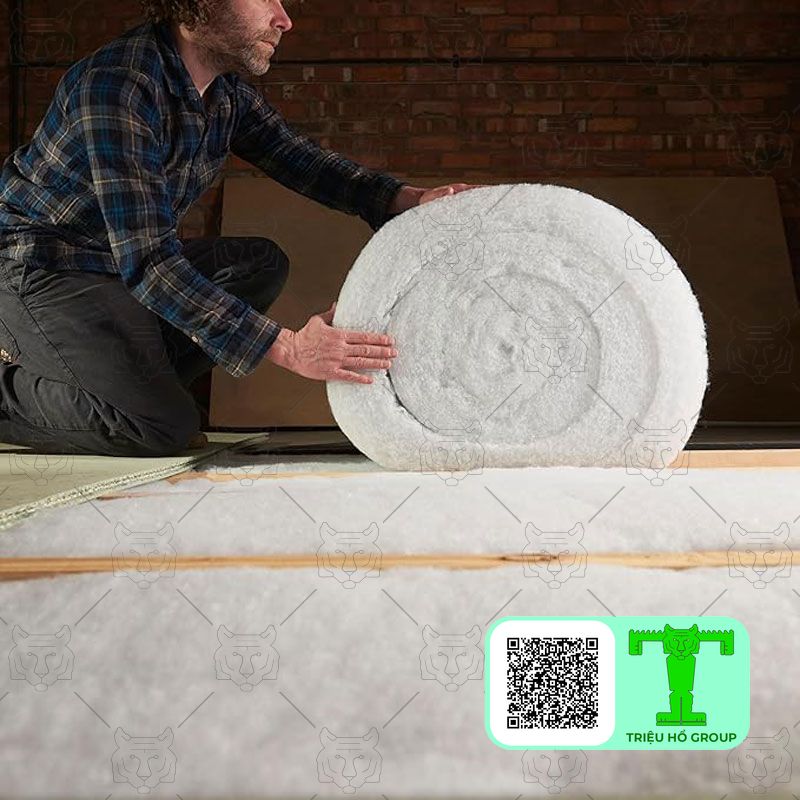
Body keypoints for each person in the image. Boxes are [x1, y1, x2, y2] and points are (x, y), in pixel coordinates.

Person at [0, 0, 425, 457]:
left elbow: (302, 161)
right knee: (160, 429)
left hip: (116, 269)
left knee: (258, 263)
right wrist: (290, 348)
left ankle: (138, 392)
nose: (283, 20)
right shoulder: (117, 84)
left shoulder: (224, 94)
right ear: (197, 7)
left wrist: (406, 199)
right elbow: (151, 264)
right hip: (40, 267)